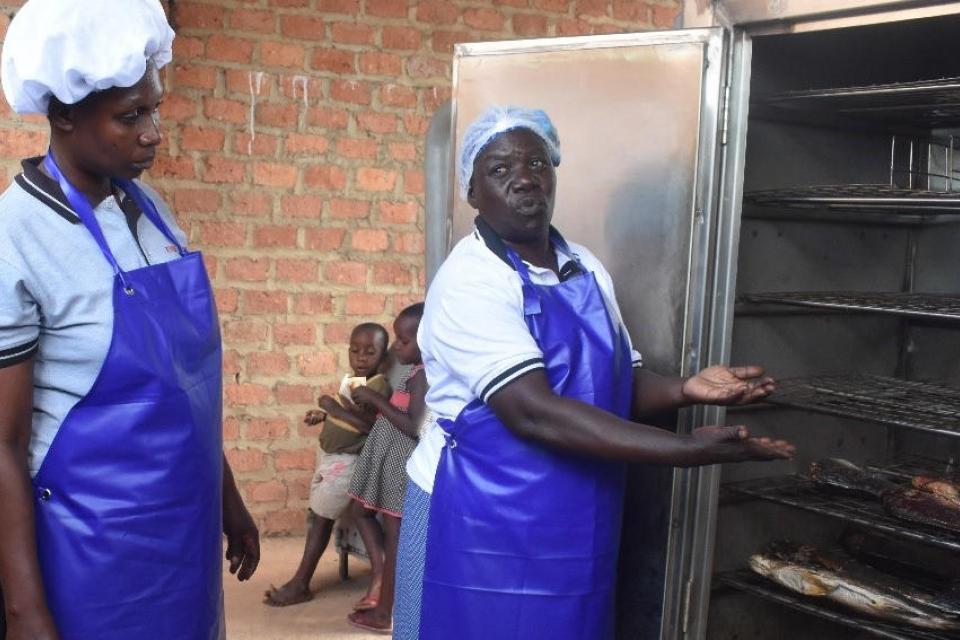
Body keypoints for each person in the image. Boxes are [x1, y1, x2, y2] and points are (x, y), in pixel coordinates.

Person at [392, 106, 796, 640]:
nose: (524, 178)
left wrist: (684, 388)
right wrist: (687, 451)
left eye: (537, 162)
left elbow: (615, 387)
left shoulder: (583, 266)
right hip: (476, 519)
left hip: (574, 514)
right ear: (472, 194)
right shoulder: (471, 281)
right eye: (500, 169)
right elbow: (533, 413)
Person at [0, 1, 259, 638]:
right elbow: (1, 447)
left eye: (155, 109)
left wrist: (230, 502)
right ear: (62, 113)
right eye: (130, 116)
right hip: (91, 554)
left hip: (182, 534)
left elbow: (182, 388)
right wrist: (26, 611)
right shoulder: (18, 238)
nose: (153, 132)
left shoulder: (151, 209)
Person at [263, 322, 391, 607]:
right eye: (355, 351)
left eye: (370, 352)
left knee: (320, 520)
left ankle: (301, 583)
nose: (361, 357)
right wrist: (324, 415)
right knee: (317, 516)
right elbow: (348, 416)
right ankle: (302, 581)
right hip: (331, 459)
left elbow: (372, 426)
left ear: (383, 358)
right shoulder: (353, 381)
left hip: (346, 464)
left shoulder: (377, 385)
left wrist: (333, 408)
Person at [345, 304, 427, 635]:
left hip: (401, 469)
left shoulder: (422, 376)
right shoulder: (411, 372)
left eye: (403, 341)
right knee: (362, 514)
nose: (396, 346)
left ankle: (385, 613)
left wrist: (376, 400)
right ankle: (383, 594)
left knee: (396, 542)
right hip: (390, 463)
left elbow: (414, 426)